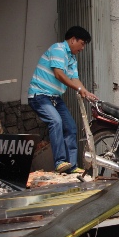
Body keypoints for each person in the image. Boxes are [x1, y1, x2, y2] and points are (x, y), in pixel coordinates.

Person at [28, 26, 98, 174]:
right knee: (56, 122)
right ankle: (60, 162)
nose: (83, 48)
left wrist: (86, 92)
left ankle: (71, 166)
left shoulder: (72, 58)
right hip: (39, 96)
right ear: (73, 40)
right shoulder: (58, 49)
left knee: (71, 127)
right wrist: (79, 89)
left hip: (54, 98)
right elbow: (59, 74)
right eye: (83, 43)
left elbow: (74, 79)